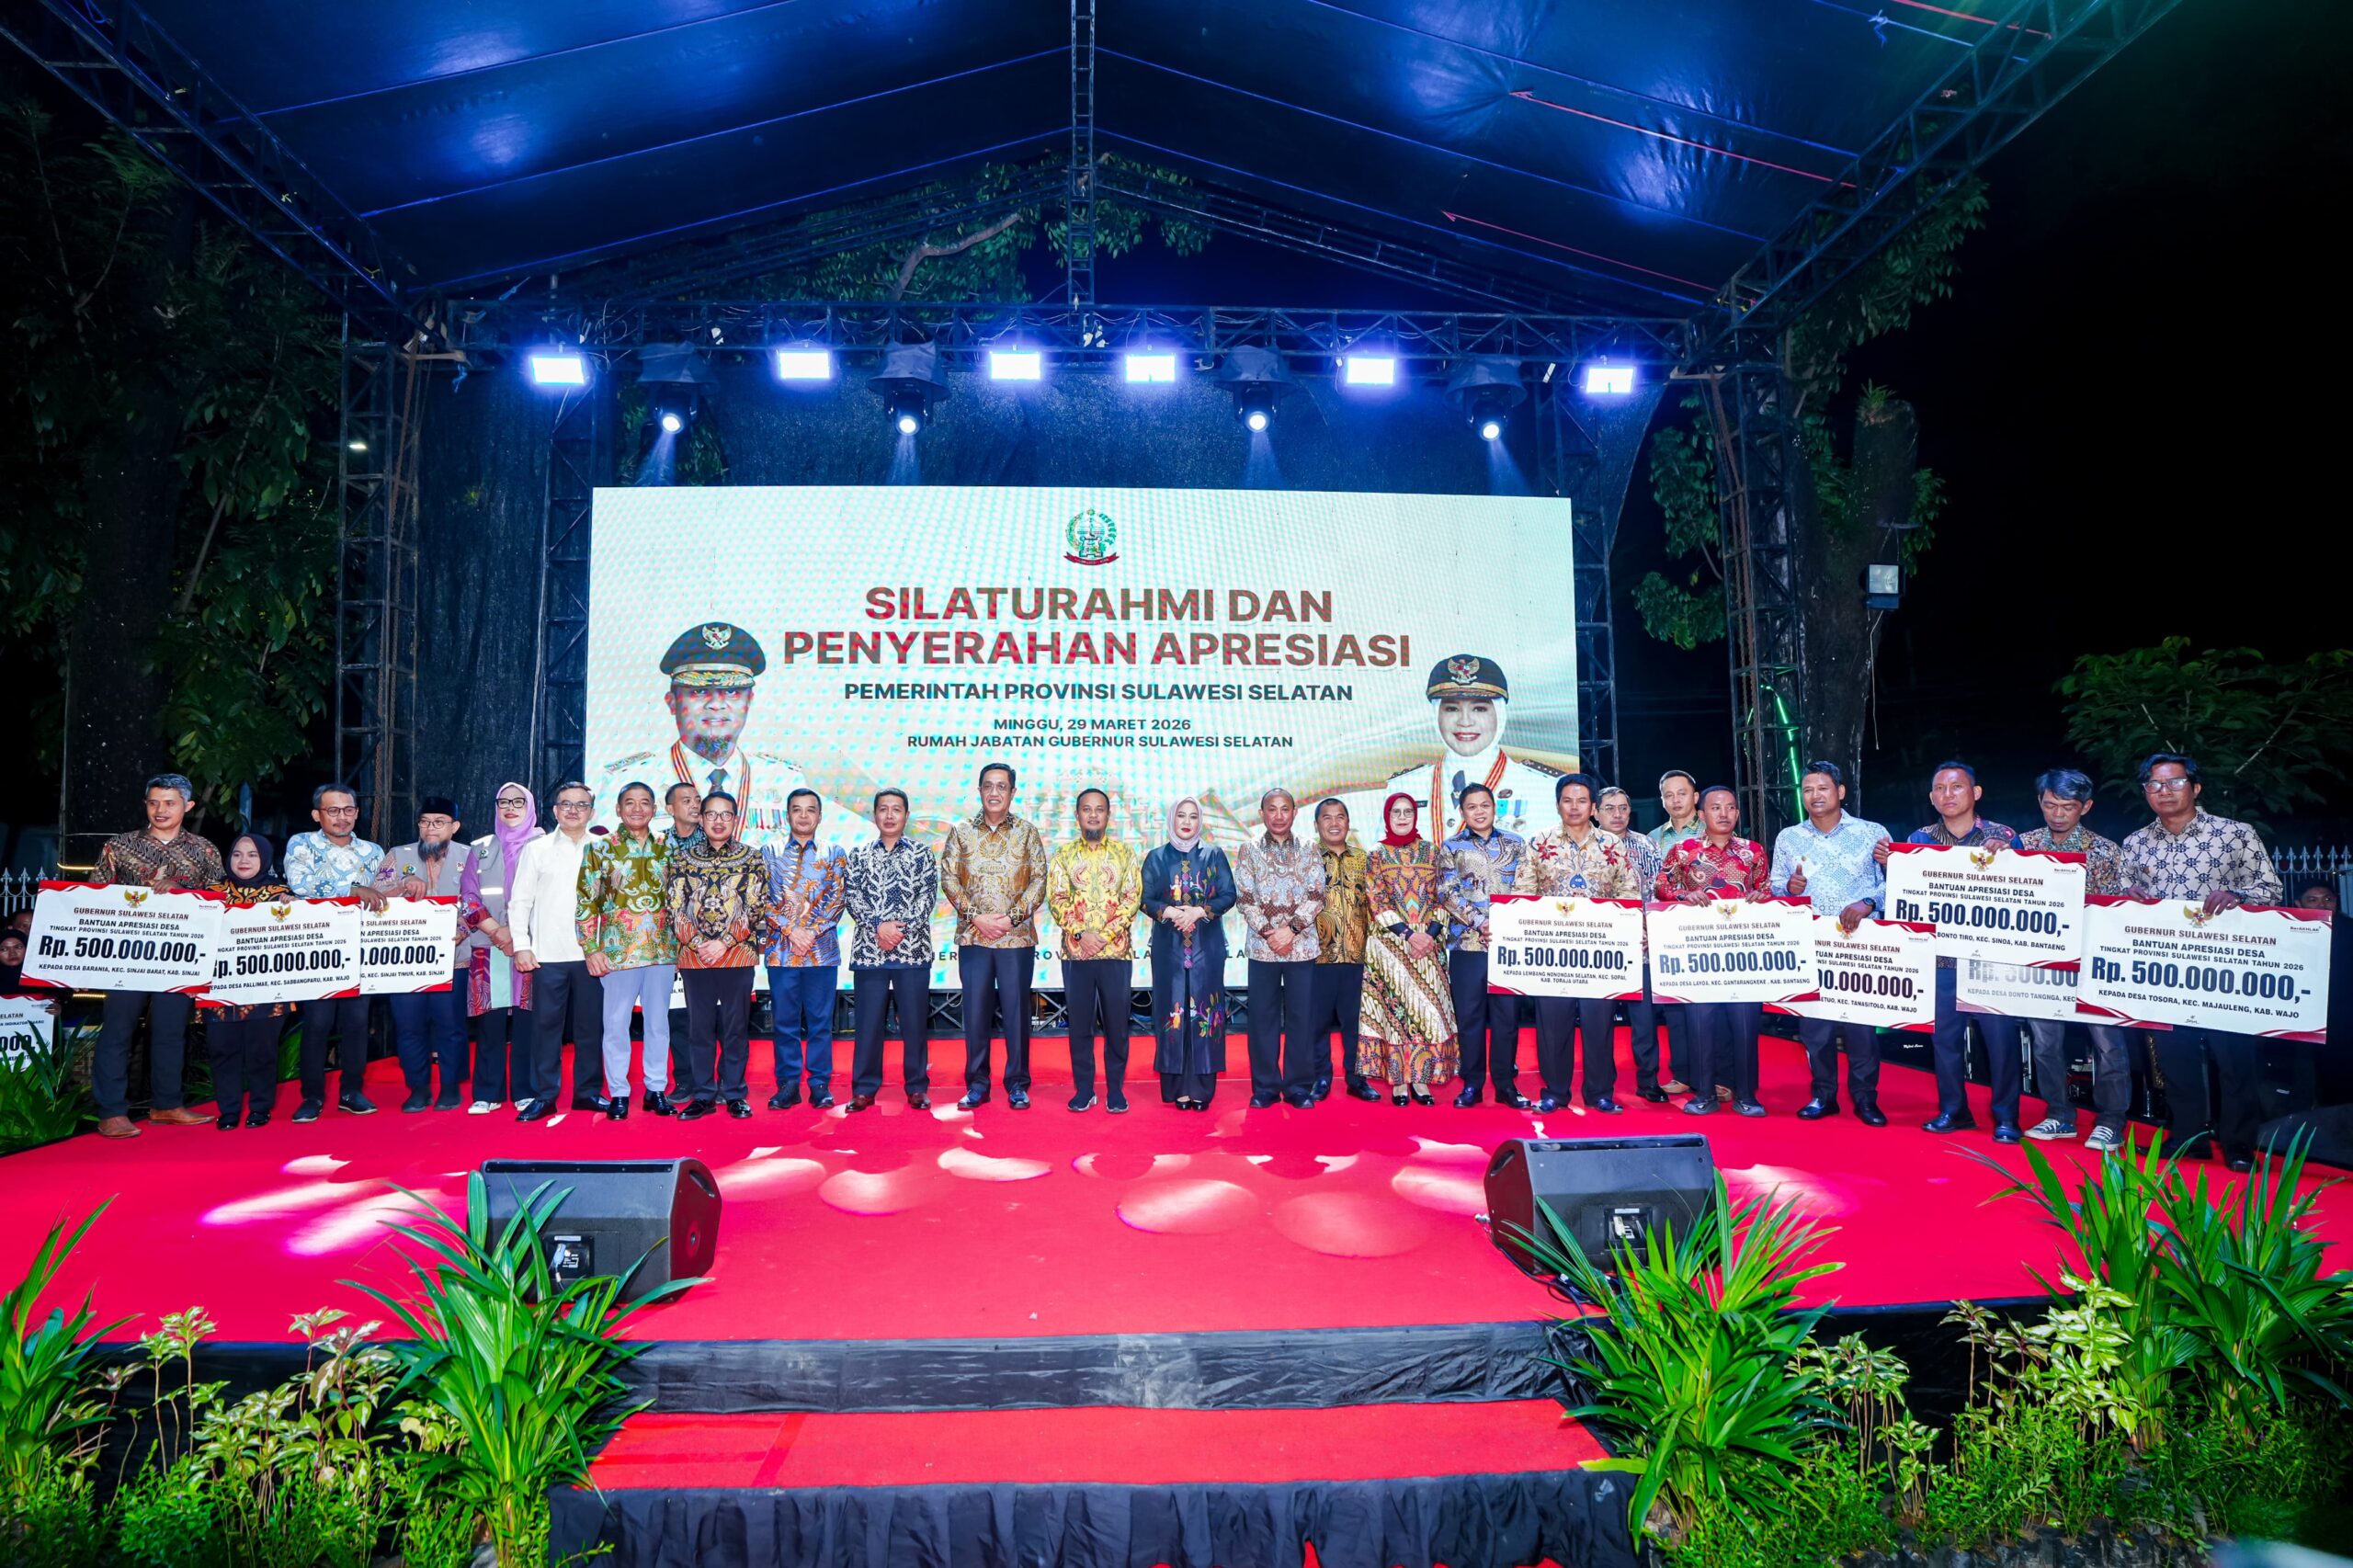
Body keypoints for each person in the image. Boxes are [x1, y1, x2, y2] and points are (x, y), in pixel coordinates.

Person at [2120, 753, 2284, 1170]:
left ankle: (2239, 1143)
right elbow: (2121, 895)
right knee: (2175, 1057)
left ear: (2195, 787)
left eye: (2174, 783)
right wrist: (2127, 897)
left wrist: (2237, 896)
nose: (2164, 791)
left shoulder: (2235, 834)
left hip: (2225, 969)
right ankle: (2188, 1136)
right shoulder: (2136, 842)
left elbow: (2270, 889)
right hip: (2165, 968)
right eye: (2155, 785)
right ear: (2146, 792)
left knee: (2234, 1058)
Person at [1873, 761, 2027, 1140]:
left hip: (1990, 960)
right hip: (1940, 958)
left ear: (1976, 793)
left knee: (2000, 1041)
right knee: (1944, 1040)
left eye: (1957, 787)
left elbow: (2027, 892)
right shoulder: (1919, 839)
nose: (1948, 794)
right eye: (1940, 789)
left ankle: (2007, 1117)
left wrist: (2009, 860)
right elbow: (1906, 896)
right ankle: (1954, 1110)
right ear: (1931, 797)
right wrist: (1893, 865)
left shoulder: (2003, 837)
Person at [591, 622, 824, 845]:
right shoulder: (628, 780)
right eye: (699, 691)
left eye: (731, 691)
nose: (715, 704)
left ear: (749, 701)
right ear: (672, 702)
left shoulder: (783, 779)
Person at [86, 774, 225, 1139]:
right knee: (118, 1031)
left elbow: (220, 899)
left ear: (188, 806)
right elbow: (93, 896)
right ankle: (111, 1112)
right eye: (153, 802)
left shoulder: (205, 850)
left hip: (179, 957)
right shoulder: (119, 846)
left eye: (169, 803)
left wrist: (184, 891)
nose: (160, 810)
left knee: (170, 1032)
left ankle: (167, 1104)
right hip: (127, 956)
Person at [1769, 762, 1892, 1126]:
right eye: (1807, 789)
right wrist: (1788, 888)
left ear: (1840, 791)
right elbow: (1775, 886)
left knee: (1861, 1027)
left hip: (1860, 944)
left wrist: (1868, 902)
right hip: (1811, 944)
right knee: (1815, 1028)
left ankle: (1865, 1099)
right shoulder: (1789, 838)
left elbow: (1898, 882)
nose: (1814, 795)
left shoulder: (1872, 833)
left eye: (1822, 788)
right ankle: (1823, 1095)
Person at [2017, 768, 2131, 1150]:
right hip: (2042, 962)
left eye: (2067, 807)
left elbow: (2118, 911)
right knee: (2045, 1042)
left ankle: (2111, 1120)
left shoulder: (2106, 851)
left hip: (2094, 962)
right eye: (2050, 805)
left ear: (2086, 806)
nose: (2058, 814)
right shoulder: (2023, 845)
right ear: (2040, 802)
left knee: (2107, 1043)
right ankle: (2059, 1114)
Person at [1525, 772, 1645, 1113]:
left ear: (1593, 807)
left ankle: (1600, 1092)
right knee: (1553, 1026)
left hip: (1600, 954)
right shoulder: (1539, 842)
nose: (1574, 807)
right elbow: (1523, 894)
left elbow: (1628, 892)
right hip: (1551, 953)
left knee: (1599, 1024)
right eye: (1567, 800)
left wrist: (1631, 930)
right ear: (1558, 805)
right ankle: (1555, 1092)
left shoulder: (1612, 845)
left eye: (1581, 800)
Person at [1655, 785, 1771, 1118]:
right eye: (1716, 808)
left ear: (1738, 813)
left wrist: (1762, 897)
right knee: (1700, 1025)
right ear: (1702, 814)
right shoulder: (1683, 851)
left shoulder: (1753, 851)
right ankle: (1703, 1093)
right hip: (1699, 955)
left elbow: (1766, 889)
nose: (1724, 813)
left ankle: (1746, 1095)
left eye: (1731, 807)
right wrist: (1684, 895)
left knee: (1745, 1025)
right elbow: (1661, 886)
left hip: (1743, 955)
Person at [940, 763, 1048, 1110]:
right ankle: (978, 1084)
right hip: (975, 937)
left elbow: (1039, 880)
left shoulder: (1027, 832)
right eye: (988, 786)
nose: (994, 792)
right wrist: (976, 917)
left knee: (1017, 1014)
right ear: (979, 790)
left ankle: (1017, 1083)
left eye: (1002, 786)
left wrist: (1011, 918)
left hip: (1015, 939)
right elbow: (949, 878)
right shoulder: (961, 832)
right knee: (975, 1013)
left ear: (1013, 792)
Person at [1365, 654, 1562, 844]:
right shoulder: (1404, 786)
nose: (1465, 721)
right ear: (1436, 715)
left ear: (1500, 714)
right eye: (1452, 709)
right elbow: (1383, 859)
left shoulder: (1542, 787)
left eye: (1479, 709)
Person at [284, 781, 388, 1123]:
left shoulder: (373, 851)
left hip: (361, 947)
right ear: (317, 815)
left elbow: (384, 891)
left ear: (357, 812)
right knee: (317, 1022)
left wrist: (407, 883)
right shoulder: (301, 843)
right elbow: (301, 885)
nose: (342, 817)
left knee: (358, 1023)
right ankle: (312, 1096)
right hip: (318, 949)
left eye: (348, 810)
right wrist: (353, 889)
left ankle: (351, 1091)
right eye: (333, 810)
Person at [665, 791, 774, 1119]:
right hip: (695, 956)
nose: (718, 821)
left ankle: (735, 1093)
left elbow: (756, 906)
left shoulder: (751, 857)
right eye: (711, 814)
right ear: (701, 818)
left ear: (735, 819)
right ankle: (703, 1095)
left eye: (725, 814)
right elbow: (674, 907)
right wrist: (699, 942)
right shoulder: (683, 859)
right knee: (699, 1028)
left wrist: (724, 942)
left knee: (735, 1028)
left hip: (737, 955)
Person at [576, 781, 678, 1120]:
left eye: (644, 802)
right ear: (618, 809)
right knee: (616, 1024)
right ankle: (619, 1091)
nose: (637, 809)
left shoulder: (668, 848)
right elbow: (586, 901)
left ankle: (656, 1089)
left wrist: (682, 946)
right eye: (630, 803)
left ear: (654, 809)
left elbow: (678, 901)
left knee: (658, 1023)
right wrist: (591, 948)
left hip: (662, 950)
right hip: (617, 951)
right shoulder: (600, 849)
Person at [371, 795, 477, 1112]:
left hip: (454, 956)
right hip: (407, 960)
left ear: (454, 827)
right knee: (409, 1026)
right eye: (425, 822)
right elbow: (374, 896)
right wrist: (403, 883)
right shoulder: (398, 855)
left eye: (439, 822)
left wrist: (463, 928)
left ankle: (449, 1087)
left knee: (451, 1025)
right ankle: (418, 1088)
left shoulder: (470, 856)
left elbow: (478, 900)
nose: (431, 828)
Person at [508, 780, 605, 1121]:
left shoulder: (603, 848)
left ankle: (588, 1093)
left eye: (581, 805)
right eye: (566, 804)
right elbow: (520, 901)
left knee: (590, 1028)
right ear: (555, 810)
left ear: (592, 812)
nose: (573, 810)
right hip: (547, 955)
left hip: (592, 955)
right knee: (545, 1028)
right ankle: (545, 1095)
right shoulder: (537, 849)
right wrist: (522, 945)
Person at [1048, 787, 1143, 1113]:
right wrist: (1080, 934)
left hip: (1115, 953)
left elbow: (1132, 898)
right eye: (1086, 809)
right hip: (1077, 954)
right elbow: (1057, 898)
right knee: (1080, 1026)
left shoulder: (1124, 854)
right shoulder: (1063, 855)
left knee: (1117, 1026)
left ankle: (1115, 1089)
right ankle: (1085, 1089)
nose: (1093, 814)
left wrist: (1103, 935)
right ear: (1077, 815)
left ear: (1108, 815)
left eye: (1099, 809)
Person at [1359, 791, 1459, 1104]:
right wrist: (1408, 934)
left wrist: (1429, 935)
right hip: (1390, 947)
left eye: (1408, 812)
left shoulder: (1432, 852)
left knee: (1427, 1013)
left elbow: (1443, 896)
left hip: (1429, 947)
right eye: (1396, 812)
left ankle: (1421, 1079)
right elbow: (1376, 900)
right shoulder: (1376, 854)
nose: (1402, 818)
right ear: (1387, 817)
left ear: (1416, 816)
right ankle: (1400, 1081)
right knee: (1396, 1014)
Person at [844, 788, 938, 1111]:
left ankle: (917, 1087)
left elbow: (927, 897)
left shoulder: (922, 854)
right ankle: (864, 1089)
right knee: (868, 1024)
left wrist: (898, 930)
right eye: (883, 809)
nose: (889, 815)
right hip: (870, 953)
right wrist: (877, 927)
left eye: (896, 809)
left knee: (914, 1024)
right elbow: (852, 896)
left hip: (912, 951)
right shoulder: (859, 854)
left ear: (906, 815)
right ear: (874, 815)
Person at [1234, 788, 1327, 1109]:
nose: (1278, 815)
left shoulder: (1309, 848)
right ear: (1262, 814)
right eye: (1271, 809)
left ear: (1294, 813)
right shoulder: (1248, 850)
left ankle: (1299, 1087)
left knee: (1302, 1018)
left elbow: (1316, 895)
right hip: (1263, 949)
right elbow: (1245, 898)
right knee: (1263, 1019)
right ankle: (1265, 1088)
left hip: (1302, 947)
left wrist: (1291, 931)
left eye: (1284, 809)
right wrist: (1270, 934)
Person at [1439, 782, 1530, 1108]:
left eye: (1484, 805)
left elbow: (1527, 888)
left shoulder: (1516, 843)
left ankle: (1506, 1084)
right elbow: (1447, 893)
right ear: (1462, 812)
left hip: (1509, 945)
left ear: (1494, 807)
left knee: (1507, 1018)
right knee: (1470, 1018)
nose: (1479, 812)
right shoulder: (1452, 847)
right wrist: (1481, 922)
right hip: (1467, 946)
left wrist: (1506, 923)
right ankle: (1472, 1084)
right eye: (1472, 807)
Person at [1142, 798, 1237, 1109]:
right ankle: (1176, 1089)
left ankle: (1201, 1089)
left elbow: (1229, 894)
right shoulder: (1156, 857)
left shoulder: (1214, 855)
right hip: (1168, 948)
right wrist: (1170, 911)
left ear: (1200, 821)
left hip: (1206, 947)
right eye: (1181, 815)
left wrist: (1199, 911)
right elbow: (1144, 898)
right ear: (1172, 819)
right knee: (1173, 1011)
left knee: (1204, 1012)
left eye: (1193, 816)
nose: (1186, 821)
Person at [1601, 784, 1688, 1096]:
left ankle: (1648, 1080)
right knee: (1600, 1022)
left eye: (1623, 808)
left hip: (1643, 946)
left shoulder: (1647, 845)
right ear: (1596, 812)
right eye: (1609, 808)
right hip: (1600, 948)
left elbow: (1659, 892)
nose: (1617, 814)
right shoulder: (1588, 847)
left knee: (1645, 1020)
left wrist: (1653, 930)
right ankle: (1601, 1084)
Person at [764, 789, 847, 1109]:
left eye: (810, 810)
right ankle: (787, 1085)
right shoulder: (769, 852)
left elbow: (838, 898)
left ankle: (819, 1084)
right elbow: (762, 900)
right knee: (784, 1023)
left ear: (820, 816)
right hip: (781, 952)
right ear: (787, 815)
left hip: (821, 952)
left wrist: (810, 932)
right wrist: (791, 930)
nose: (803, 815)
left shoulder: (834, 852)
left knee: (820, 1022)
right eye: (797, 809)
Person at [459, 783, 539, 1113]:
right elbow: (468, 897)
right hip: (488, 948)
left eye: (518, 802)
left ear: (530, 806)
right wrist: (498, 931)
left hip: (531, 948)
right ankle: (487, 1093)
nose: (510, 808)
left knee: (527, 1023)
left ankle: (526, 1090)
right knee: (489, 1024)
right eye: (503, 802)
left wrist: (518, 935)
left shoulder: (543, 845)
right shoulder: (479, 848)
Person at [209, 834, 291, 1131]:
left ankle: (260, 1107)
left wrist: (295, 909)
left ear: (265, 859)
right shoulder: (210, 895)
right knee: (222, 1049)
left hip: (267, 990)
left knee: (262, 1051)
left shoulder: (281, 894)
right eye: (237, 854)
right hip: (219, 988)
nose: (243, 861)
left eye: (252, 855)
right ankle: (229, 1110)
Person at [1308, 798, 1378, 1104]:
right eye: (1327, 817)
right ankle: (1320, 1077)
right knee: (1316, 1023)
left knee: (1356, 1023)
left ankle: (1357, 1078)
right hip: (1316, 956)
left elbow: (1376, 906)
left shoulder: (1365, 860)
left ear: (1348, 822)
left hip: (1357, 955)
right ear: (1316, 825)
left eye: (1340, 817)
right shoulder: (1306, 859)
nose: (1334, 823)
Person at [1645, 769, 1706, 1096]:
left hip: (1709, 931)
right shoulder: (1653, 838)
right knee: (1676, 1008)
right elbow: (1652, 887)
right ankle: (1682, 1073)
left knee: (1710, 1008)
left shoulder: (1713, 829)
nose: (1675, 800)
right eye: (1668, 795)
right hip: (1670, 932)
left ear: (1695, 797)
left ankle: (1716, 1076)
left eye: (1682, 793)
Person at [662, 781, 704, 849]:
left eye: (698, 800)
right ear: (670, 809)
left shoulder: (713, 837)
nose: (695, 805)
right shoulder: (659, 840)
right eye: (687, 801)